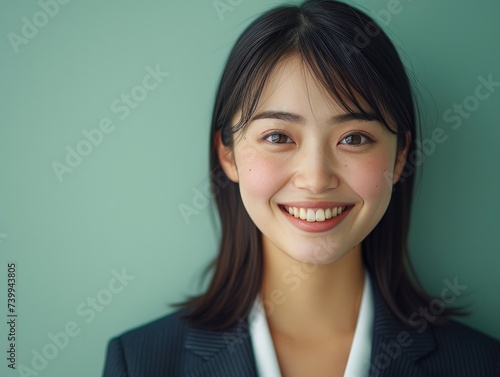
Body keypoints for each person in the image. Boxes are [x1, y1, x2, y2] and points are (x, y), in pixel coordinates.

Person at [102, 1, 500, 376]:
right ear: (227, 155)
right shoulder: (139, 363)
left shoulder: (481, 365)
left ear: (400, 157)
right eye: (277, 137)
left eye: (355, 138)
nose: (315, 178)